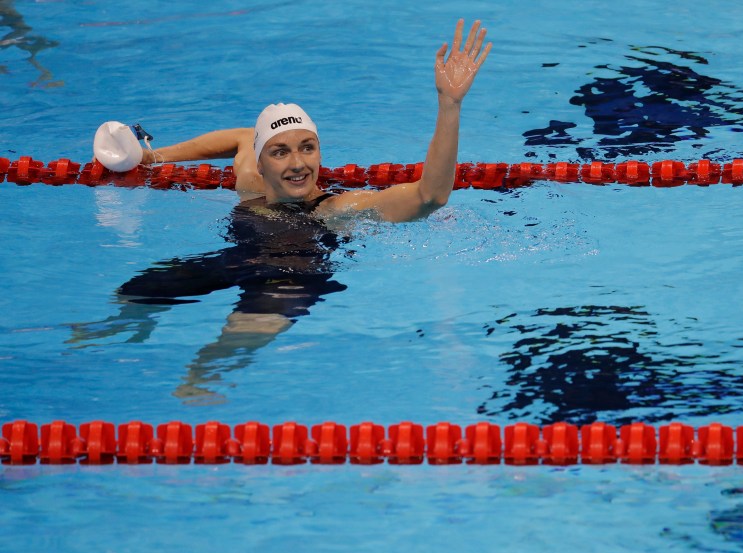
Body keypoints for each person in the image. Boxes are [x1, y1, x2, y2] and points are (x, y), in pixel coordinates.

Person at [70, 20, 491, 403]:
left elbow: (430, 196)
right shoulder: (251, 184)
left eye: (308, 147)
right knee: (133, 292)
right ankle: (141, 324)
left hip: (292, 280)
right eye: (281, 151)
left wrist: (449, 106)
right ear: (263, 161)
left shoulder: (337, 208)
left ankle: (202, 387)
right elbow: (239, 137)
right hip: (233, 261)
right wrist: (155, 157)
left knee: (214, 358)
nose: (297, 163)